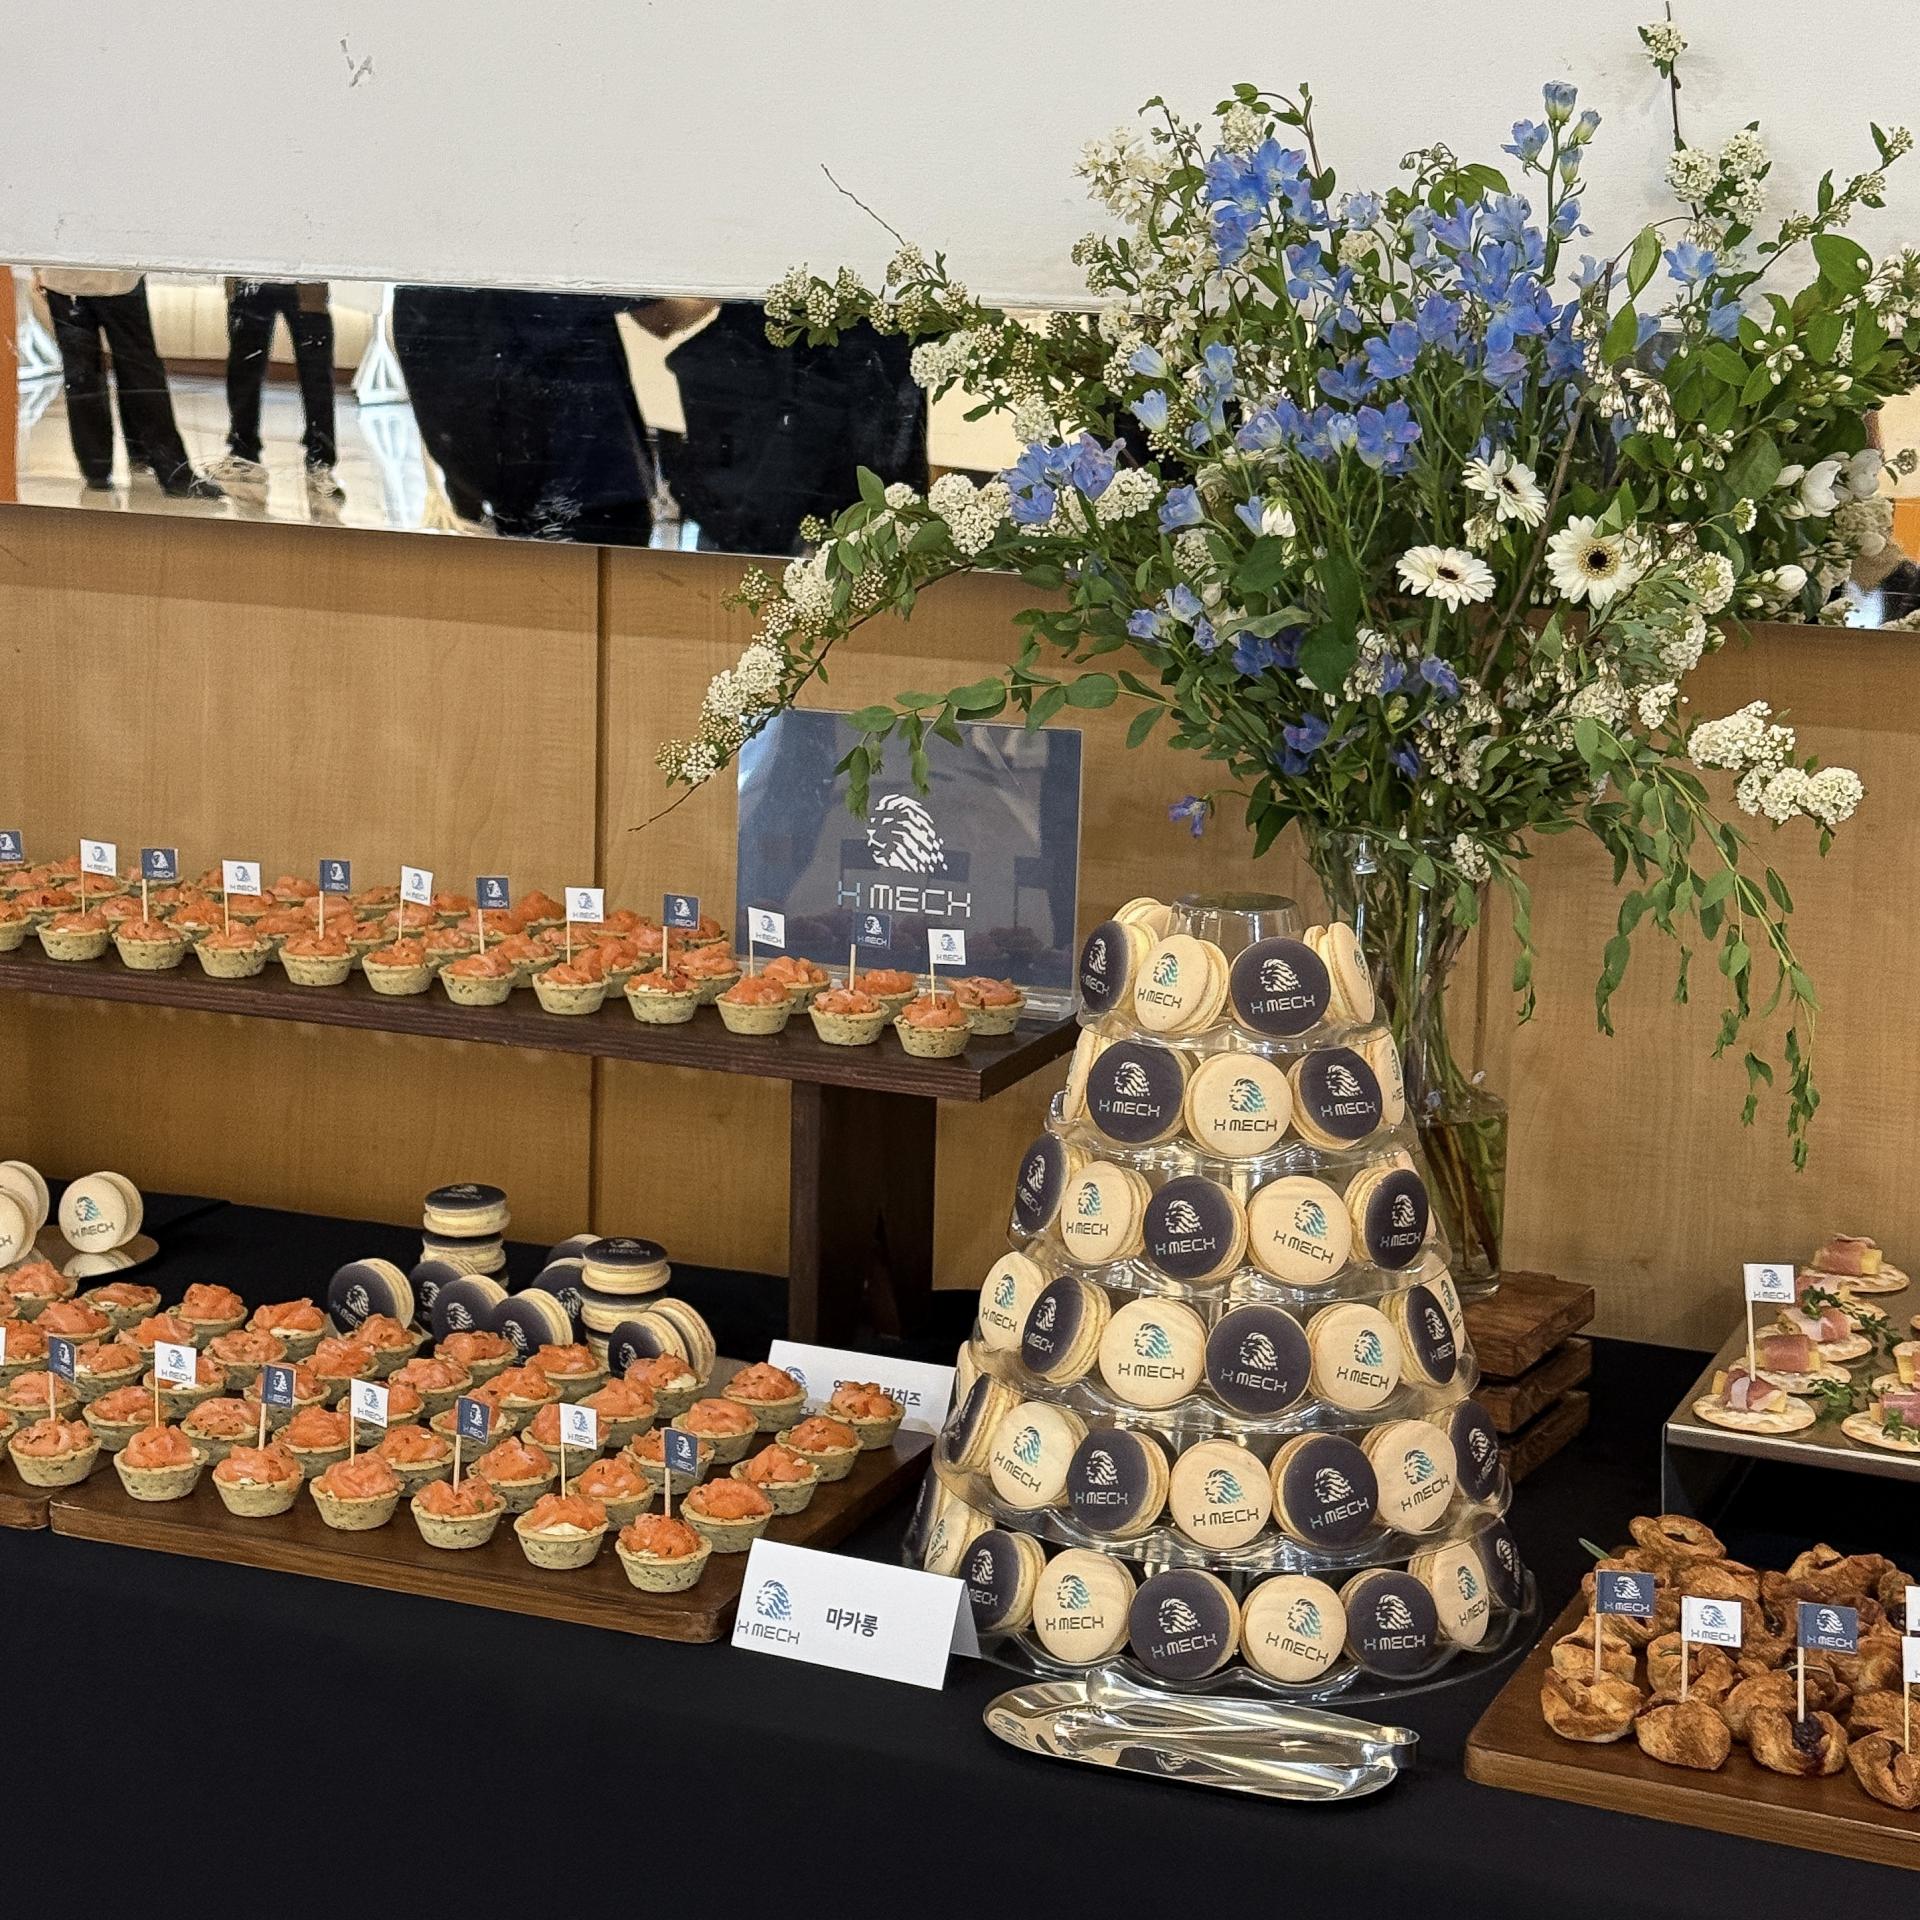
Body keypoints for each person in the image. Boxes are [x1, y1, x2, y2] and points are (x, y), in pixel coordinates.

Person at [35, 268, 221, 498]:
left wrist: (39, 269)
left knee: (83, 376)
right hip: (114, 279)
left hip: (64, 281)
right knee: (139, 371)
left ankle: (96, 469)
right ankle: (170, 470)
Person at [207, 280, 344, 507]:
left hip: (301, 276)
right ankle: (244, 453)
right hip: (255, 274)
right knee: (244, 365)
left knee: (316, 370)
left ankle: (320, 460)